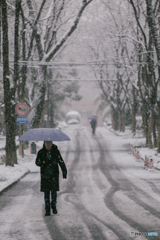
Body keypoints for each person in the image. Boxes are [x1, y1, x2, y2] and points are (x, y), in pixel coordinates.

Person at [35, 141, 67, 216]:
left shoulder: (56, 151)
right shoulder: (41, 152)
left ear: (52, 143)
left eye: (50, 143)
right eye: (47, 143)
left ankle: (54, 205)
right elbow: (37, 162)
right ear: (44, 143)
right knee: (46, 194)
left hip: (54, 176)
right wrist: (41, 162)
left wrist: (64, 171)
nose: (48, 144)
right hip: (45, 176)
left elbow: (61, 161)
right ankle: (47, 209)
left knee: (54, 193)